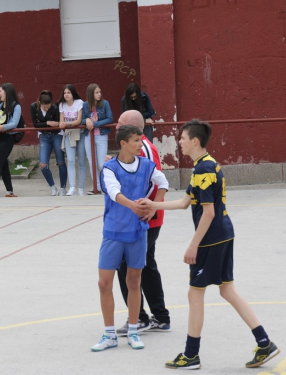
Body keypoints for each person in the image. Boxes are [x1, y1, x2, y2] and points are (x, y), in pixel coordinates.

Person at [140, 119, 280, 370]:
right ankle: (264, 342)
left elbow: (208, 213)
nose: (179, 142)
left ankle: (191, 355)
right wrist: (154, 205)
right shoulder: (205, 165)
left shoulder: (204, 169)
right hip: (223, 235)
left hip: (211, 239)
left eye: (182, 138)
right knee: (227, 290)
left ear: (195, 140)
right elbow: (185, 203)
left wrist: (193, 244)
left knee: (195, 293)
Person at [91, 125, 168, 352]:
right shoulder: (109, 167)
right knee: (104, 283)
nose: (139, 144)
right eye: (135, 140)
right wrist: (134, 205)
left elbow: (162, 182)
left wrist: (154, 207)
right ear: (123, 143)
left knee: (134, 281)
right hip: (113, 233)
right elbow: (114, 192)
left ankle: (134, 330)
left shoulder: (146, 165)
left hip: (137, 233)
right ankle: (109, 334)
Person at [112, 110, 171, 337]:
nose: (116, 126)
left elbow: (155, 180)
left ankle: (139, 318)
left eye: (120, 123)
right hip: (146, 217)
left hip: (143, 219)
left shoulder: (142, 147)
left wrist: (150, 207)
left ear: (133, 128)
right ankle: (160, 317)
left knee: (126, 265)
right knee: (146, 265)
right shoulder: (138, 147)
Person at [31, 90, 67, 196]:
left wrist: (48, 124)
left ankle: (63, 187)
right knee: (43, 164)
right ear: (40, 103)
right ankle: (52, 186)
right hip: (43, 136)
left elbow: (57, 125)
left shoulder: (55, 107)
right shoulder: (34, 107)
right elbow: (35, 124)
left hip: (56, 135)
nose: (47, 109)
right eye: (44, 107)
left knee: (60, 161)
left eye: (48, 107)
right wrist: (47, 123)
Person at [82, 83, 113, 195]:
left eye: (100, 92)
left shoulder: (105, 104)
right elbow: (81, 120)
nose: (99, 94)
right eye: (96, 92)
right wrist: (86, 120)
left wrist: (96, 123)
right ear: (91, 94)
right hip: (88, 136)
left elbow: (110, 118)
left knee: (101, 163)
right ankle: (96, 187)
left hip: (101, 135)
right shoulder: (85, 105)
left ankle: (106, 185)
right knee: (92, 162)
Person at [58, 84, 86, 196]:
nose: (66, 95)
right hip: (69, 134)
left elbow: (79, 120)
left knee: (81, 161)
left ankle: (81, 188)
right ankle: (72, 187)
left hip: (80, 133)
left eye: (68, 92)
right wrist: (62, 124)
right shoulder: (62, 104)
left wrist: (68, 124)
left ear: (73, 93)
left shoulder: (79, 102)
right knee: (70, 160)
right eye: (65, 93)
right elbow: (61, 120)